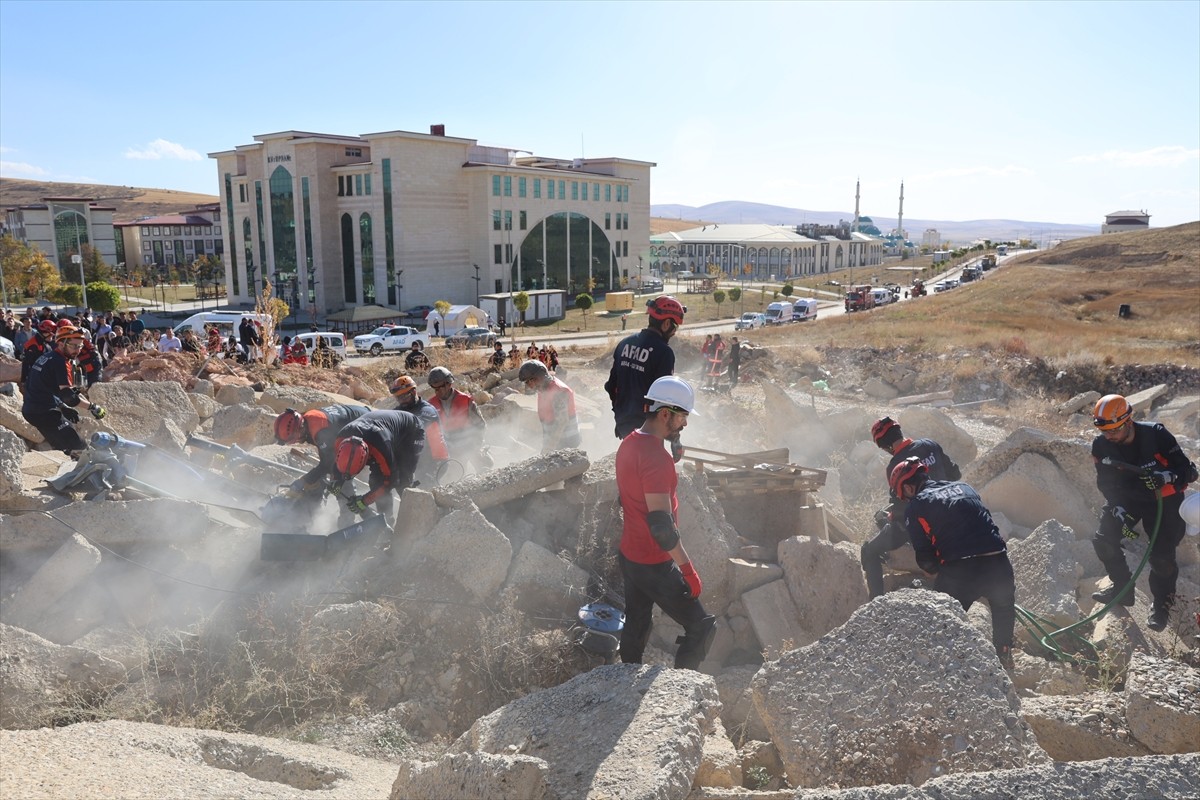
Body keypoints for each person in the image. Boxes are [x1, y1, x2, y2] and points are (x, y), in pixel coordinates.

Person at [615, 375, 715, 670]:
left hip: (630, 555)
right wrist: (688, 570)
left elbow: (632, 495)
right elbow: (661, 527)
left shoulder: (630, 442)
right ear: (664, 414)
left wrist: (671, 444)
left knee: (638, 620)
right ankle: (683, 689)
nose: (685, 424)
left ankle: (625, 677)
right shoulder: (657, 460)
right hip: (654, 562)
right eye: (682, 417)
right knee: (702, 627)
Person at [892, 456, 1016, 667]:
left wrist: (934, 570)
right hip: (998, 561)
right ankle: (1004, 657)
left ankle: (942, 668)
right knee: (1003, 609)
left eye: (902, 494)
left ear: (909, 488)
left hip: (962, 571)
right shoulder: (965, 488)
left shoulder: (917, 506)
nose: (905, 499)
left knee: (941, 623)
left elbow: (924, 556)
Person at [1088, 394, 1198, 630]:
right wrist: (1117, 507)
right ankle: (1122, 588)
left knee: (1162, 558)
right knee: (1104, 541)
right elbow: (1106, 483)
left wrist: (1166, 477)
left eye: (1114, 431)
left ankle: (1161, 606)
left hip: (1164, 500)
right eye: (1105, 431)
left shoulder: (1156, 435)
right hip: (1128, 499)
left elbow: (1189, 471)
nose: (1109, 436)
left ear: (1128, 421)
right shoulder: (1101, 445)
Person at [860, 416, 963, 599]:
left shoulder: (895, 465)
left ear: (884, 446)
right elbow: (955, 474)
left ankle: (875, 603)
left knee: (869, 550)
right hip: (951, 513)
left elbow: (901, 511)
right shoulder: (930, 444)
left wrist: (888, 517)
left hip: (923, 526)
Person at [604, 295, 686, 457]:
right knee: (648, 472)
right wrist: (674, 437)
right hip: (648, 429)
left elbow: (611, 386)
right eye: (675, 326)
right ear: (666, 323)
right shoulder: (664, 352)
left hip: (625, 425)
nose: (675, 332)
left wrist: (620, 418)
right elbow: (664, 399)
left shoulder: (625, 343)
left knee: (631, 468)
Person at [21, 324, 106, 455]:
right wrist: (93, 407)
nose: (77, 350)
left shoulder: (48, 356)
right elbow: (69, 396)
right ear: (61, 343)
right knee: (79, 446)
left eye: (80, 346)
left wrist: (62, 406)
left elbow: (50, 387)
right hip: (43, 412)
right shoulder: (60, 361)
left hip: (34, 409)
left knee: (65, 447)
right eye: (74, 346)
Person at [332, 409, 426, 517]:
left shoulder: (380, 447)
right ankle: (386, 520)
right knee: (376, 480)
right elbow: (336, 463)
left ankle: (415, 519)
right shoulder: (340, 440)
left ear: (366, 458)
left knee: (403, 480)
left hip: (410, 432)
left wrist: (365, 501)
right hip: (385, 433)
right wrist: (336, 480)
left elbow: (390, 481)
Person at [274, 404, 374, 494]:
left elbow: (329, 462)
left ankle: (349, 513)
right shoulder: (308, 420)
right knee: (322, 475)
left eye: (295, 439)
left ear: (300, 429)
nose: (296, 442)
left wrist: (304, 480)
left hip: (369, 426)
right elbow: (325, 456)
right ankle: (313, 506)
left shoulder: (321, 431)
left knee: (340, 476)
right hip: (358, 417)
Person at [427, 366, 492, 473]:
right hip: (447, 445)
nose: (437, 392)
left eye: (440, 388)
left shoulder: (466, 400)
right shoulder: (430, 405)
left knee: (486, 465)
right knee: (454, 475)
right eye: (435, 389)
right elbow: (430, 435)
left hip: (469, 441)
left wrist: (475, 445)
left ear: (449, 384)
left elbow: (480, 425)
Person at [390, 375, 450, 485]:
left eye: (404, 397)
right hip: (418, 459)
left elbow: (416, 425)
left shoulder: (427, 410)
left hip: (436, 460)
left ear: (413, 392)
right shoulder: (401, 409)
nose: (401, 401)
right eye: (398, 398)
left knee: (426, 487)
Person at [519, 359, 581, 452]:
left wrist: (549, 448)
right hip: (555, 441)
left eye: (529, 381)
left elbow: (561, 422)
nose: (528, 386)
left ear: (538, 377)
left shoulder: (559, 391)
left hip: (566, 442)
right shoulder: (543, 388)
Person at [20, 319, 57, 391]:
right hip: (35, 378)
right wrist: (24, 380)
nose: (52, 338)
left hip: (43, 376)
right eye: (51, 335)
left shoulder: (42, 342)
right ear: (45, 333)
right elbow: (26, 364)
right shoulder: (33, 345)